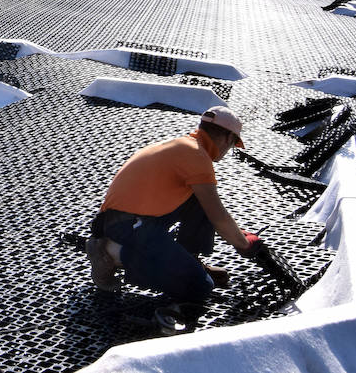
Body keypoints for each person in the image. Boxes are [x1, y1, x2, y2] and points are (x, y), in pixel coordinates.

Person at [87, 106, 264, 302]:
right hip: (127, 225)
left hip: (133, 219)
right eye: (232, 145)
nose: (228, 151)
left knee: (200, 200)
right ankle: (111, 253)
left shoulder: (185, 146)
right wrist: (244, 244)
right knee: (198, 286)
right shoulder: (196, 157)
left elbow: (210, 208)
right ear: (228, 139)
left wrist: (237, 235)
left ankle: (190, 259)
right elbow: (218, 216)